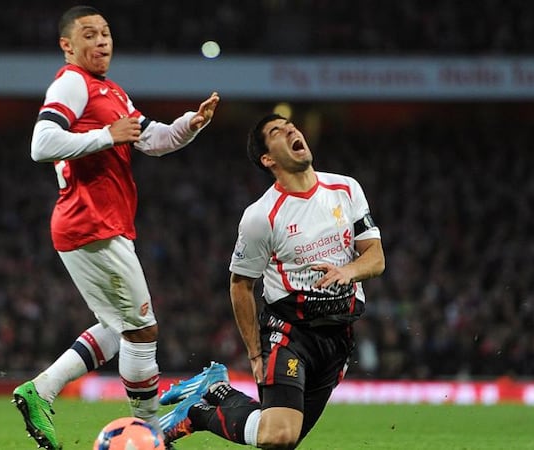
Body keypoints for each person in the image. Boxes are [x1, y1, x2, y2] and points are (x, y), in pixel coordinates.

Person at [11, 5, 220, 450]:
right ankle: (151, 430)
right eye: (89, 34)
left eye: (106, 33)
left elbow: (154, 140)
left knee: (113, 327)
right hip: (92, 222)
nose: (102, 41)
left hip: (97, 224)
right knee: (142, 330)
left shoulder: (113, 92)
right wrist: (107, 136)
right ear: (68, 45)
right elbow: (41, 144)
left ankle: (41, 389)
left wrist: (192, 123)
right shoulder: (72, 82)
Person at [158, 113, 385, 449]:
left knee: (281, 438)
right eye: (278, 131)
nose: (291, 129)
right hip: (290, 332)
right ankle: (197, 414)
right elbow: (240, 284)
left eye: (291, 125)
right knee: (278, 435)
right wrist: (254, 354)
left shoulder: (346, 189)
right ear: (268, 159)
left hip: (338, 335)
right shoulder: (260, 216)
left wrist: (347, 271)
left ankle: (216, 389)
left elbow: (375, 257)